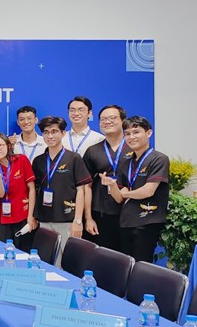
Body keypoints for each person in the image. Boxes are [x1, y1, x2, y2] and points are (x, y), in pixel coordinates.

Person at [102, 116, 170, 262]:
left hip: (147, 221)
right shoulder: (126, 162)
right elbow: (119, 198)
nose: (131, 137)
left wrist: (127, 193)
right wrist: (112, 185)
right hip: (127, 221)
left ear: (149, 133)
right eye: (127, 134)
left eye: (136, 132)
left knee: (141, 264)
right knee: (126, 264)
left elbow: (148, 191)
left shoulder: (159, 159)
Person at [32, 117, 92, 265]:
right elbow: (35, 190)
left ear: (63, 133)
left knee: (68, 262)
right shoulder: (38, 161)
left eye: (54, 132)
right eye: (46, 132)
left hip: (67, 219)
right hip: (44, 219)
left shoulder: (74, 158)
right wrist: (33, 216)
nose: (50, 136)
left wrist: (78, 220)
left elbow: (81, 190)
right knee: (46, 260)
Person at [82, 105, 131, 252]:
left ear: (123, 121)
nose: (107, 122)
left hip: (130, 214)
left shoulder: (135, 148)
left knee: (128, 257)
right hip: (101, 214)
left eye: (112, 118)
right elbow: (86, 186)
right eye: (103, 119)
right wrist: (88, 218)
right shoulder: (93, 151)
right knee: (102, 257)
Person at [0, 133, 37, 250]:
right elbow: (1, 194)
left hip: (23, 216)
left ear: (8, 146)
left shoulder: (21, 160)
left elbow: (31, 188)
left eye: (0, 145)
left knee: (24, 252)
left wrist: (31, 216)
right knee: (4, 252)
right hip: (4, 219)